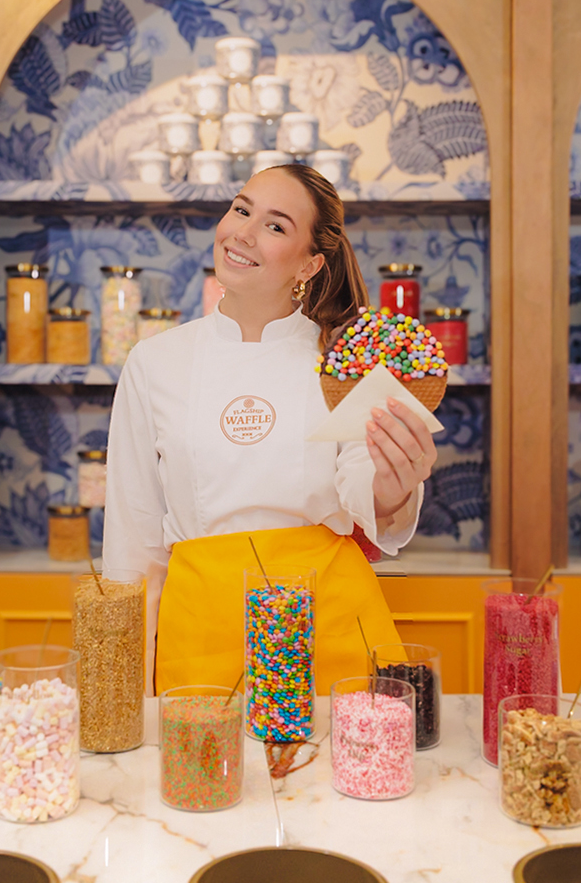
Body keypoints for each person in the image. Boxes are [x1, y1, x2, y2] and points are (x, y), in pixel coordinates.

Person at [102, 163, 438, 694]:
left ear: (309, 264)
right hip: (201, 632)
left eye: (276, 226)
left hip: (330, 623)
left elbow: (366, 491)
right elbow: (132, 537)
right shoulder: (154, 362)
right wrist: (125, 690)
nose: (242, 232)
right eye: (241, 209)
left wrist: (394, 484)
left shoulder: (348, 360)